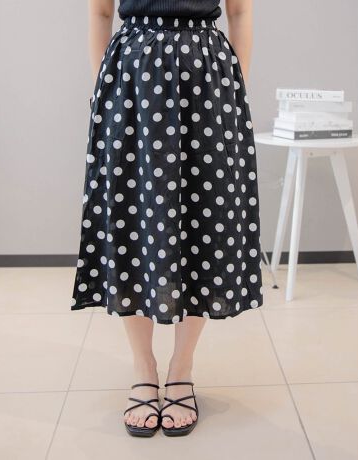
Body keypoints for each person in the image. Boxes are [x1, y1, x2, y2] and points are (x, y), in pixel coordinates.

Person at [70, 0, 263, 437]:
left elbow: (240, 13)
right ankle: (143, 367)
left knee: (206, 219)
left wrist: (235, 89)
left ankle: (182, 367)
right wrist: (104, 87)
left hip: (206, 77)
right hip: (133, 80)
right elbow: (100, 14)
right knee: (130, 218)